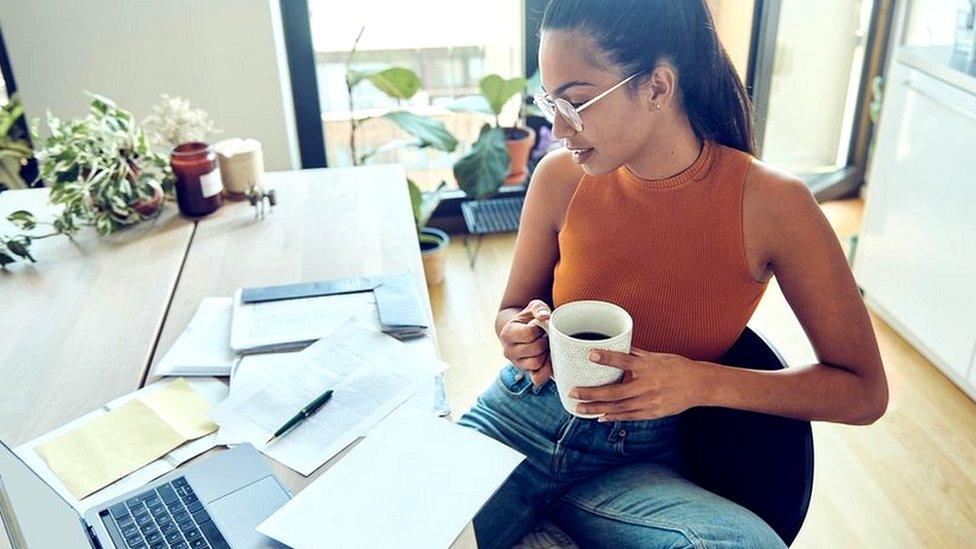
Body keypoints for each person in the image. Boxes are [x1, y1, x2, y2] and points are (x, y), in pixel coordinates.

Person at [456, 1, 889, 547]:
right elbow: (509, 312)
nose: (557, 127)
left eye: (578, 102)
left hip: (632, 463)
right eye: (550, 101)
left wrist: (699, 381)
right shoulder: (558, 178)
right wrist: (517, 333)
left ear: (657, 87)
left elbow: (864, 392)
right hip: (515, 422)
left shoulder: (774, 206)